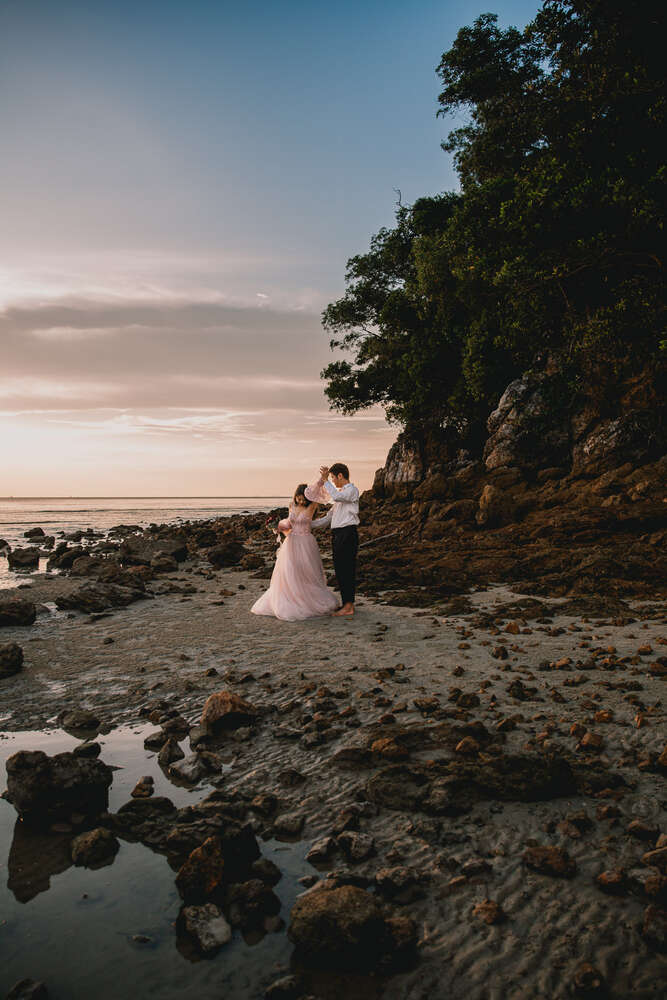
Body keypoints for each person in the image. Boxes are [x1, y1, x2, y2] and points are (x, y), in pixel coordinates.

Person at [250, 484, 338, 621]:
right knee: (290, 571)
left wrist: (322, 480)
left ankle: (307, 599)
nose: (301, 501)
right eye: (299, 498)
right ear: (295, 496)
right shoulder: (291, 505)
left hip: (306, 543)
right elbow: (289, 524)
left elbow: (316, 494)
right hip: (291, 542)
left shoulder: (312, 505)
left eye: (304, 499)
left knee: (307, 572)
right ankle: (290, 597)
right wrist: (277, 527)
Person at [305, 462, 359, 617]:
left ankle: (348, 606)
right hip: (338, 535)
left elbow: (335, 495)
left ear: (340, 476)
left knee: (347, 570)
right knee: (340, 571)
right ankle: (346, 604)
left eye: (333, 478)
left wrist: (325, 480)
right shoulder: (341, 496)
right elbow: (327, 519)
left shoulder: (352, 491)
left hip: (348, 534)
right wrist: (305, 524)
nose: (333, 481)